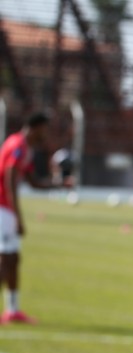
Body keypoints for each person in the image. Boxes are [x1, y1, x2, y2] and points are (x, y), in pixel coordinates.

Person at [1, 112, 55, 324]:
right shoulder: (17, 145)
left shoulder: (27, 150)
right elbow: (10, 180)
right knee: (5, 261)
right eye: (45, 129)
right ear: (37, 127)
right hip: (3, 208)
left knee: (13, 260)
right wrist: (17, 217)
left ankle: (12, 311)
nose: (47, 134)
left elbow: (33, 183)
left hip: (6, 208)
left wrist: (59, 183)